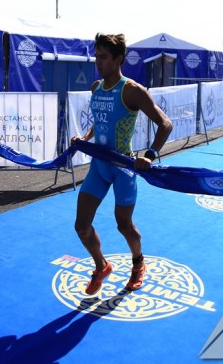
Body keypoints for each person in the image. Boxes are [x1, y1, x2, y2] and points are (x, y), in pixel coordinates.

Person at [71, 33, 173, 295]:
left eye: (103, 57)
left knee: (124, 225)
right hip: (99, 166)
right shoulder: (96, 87)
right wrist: (85, 138)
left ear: (119, 59)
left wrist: (149, 154)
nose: (98, 62)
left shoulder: (132, 90)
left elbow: (165, 124)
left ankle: (138, 262)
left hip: (123, 169)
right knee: (81, 226)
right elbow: (101, 120)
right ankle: (101, 266)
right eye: (96, 57)